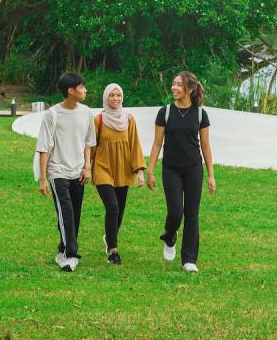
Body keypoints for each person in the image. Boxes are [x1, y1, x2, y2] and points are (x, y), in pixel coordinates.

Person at [146, 71, 216, 273]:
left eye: (178, 85)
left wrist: (210, 175)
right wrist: (150, 170)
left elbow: (205, 145)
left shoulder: (201, 114)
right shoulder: (165, 112)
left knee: (192, 213)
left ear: (190, 89)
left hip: (194, 168)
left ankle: (189, 259)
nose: (174, 88)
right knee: (175, 212)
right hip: (171, 169)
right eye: (173, 84)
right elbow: (157, 143)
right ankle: (170, 236)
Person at [37, 72, 96, 272]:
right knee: (65, 210)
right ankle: (71, 255)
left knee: (75, 213)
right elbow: (44, 147)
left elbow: (89, 143)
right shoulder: (52, 114)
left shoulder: (87, 113)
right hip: (57, 171)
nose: (85, 90)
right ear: (71, 91)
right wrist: (43, 179)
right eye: (82, 87)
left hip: (78, 171)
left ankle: (63, 249)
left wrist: (87, 167)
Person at [92, 83, 145, 266]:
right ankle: (113, 251)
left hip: (122, 169)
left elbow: (134, 145)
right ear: (106, 98)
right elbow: (91, 146)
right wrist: (83, 167)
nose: (115, 98)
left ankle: (109, 236)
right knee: (112, 207)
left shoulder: (129, 120)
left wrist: (139, 171)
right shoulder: (98, 120)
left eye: (118, 95)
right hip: (102, 168)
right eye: (112, 95)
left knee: (120, 211)